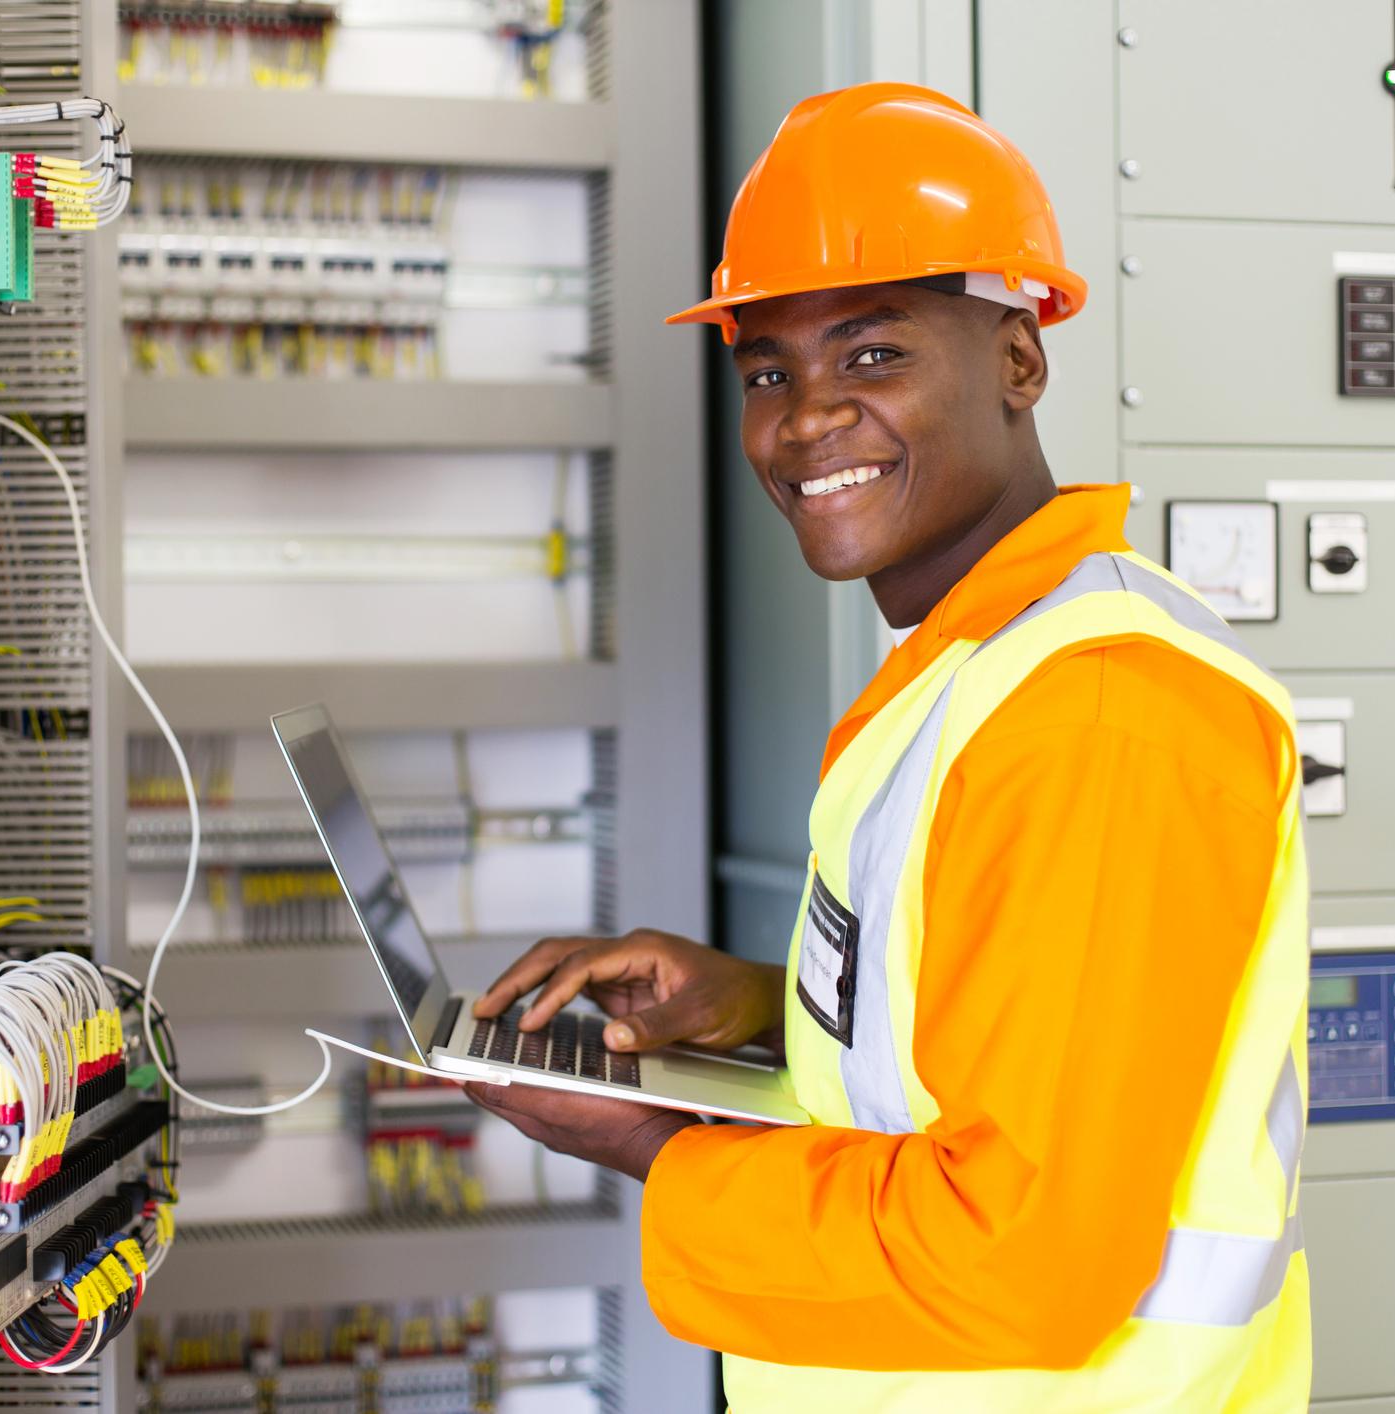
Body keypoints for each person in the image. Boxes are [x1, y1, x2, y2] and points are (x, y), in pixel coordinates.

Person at [463, 82, 1311, 1411]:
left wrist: (650, 1142)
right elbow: (977, 1034)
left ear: (1017, 362)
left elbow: (1018, 1255)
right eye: (767, 373)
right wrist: (744, 1007)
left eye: (871, 355)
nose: (805, 420)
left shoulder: (1098, 713)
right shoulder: (972, 670)